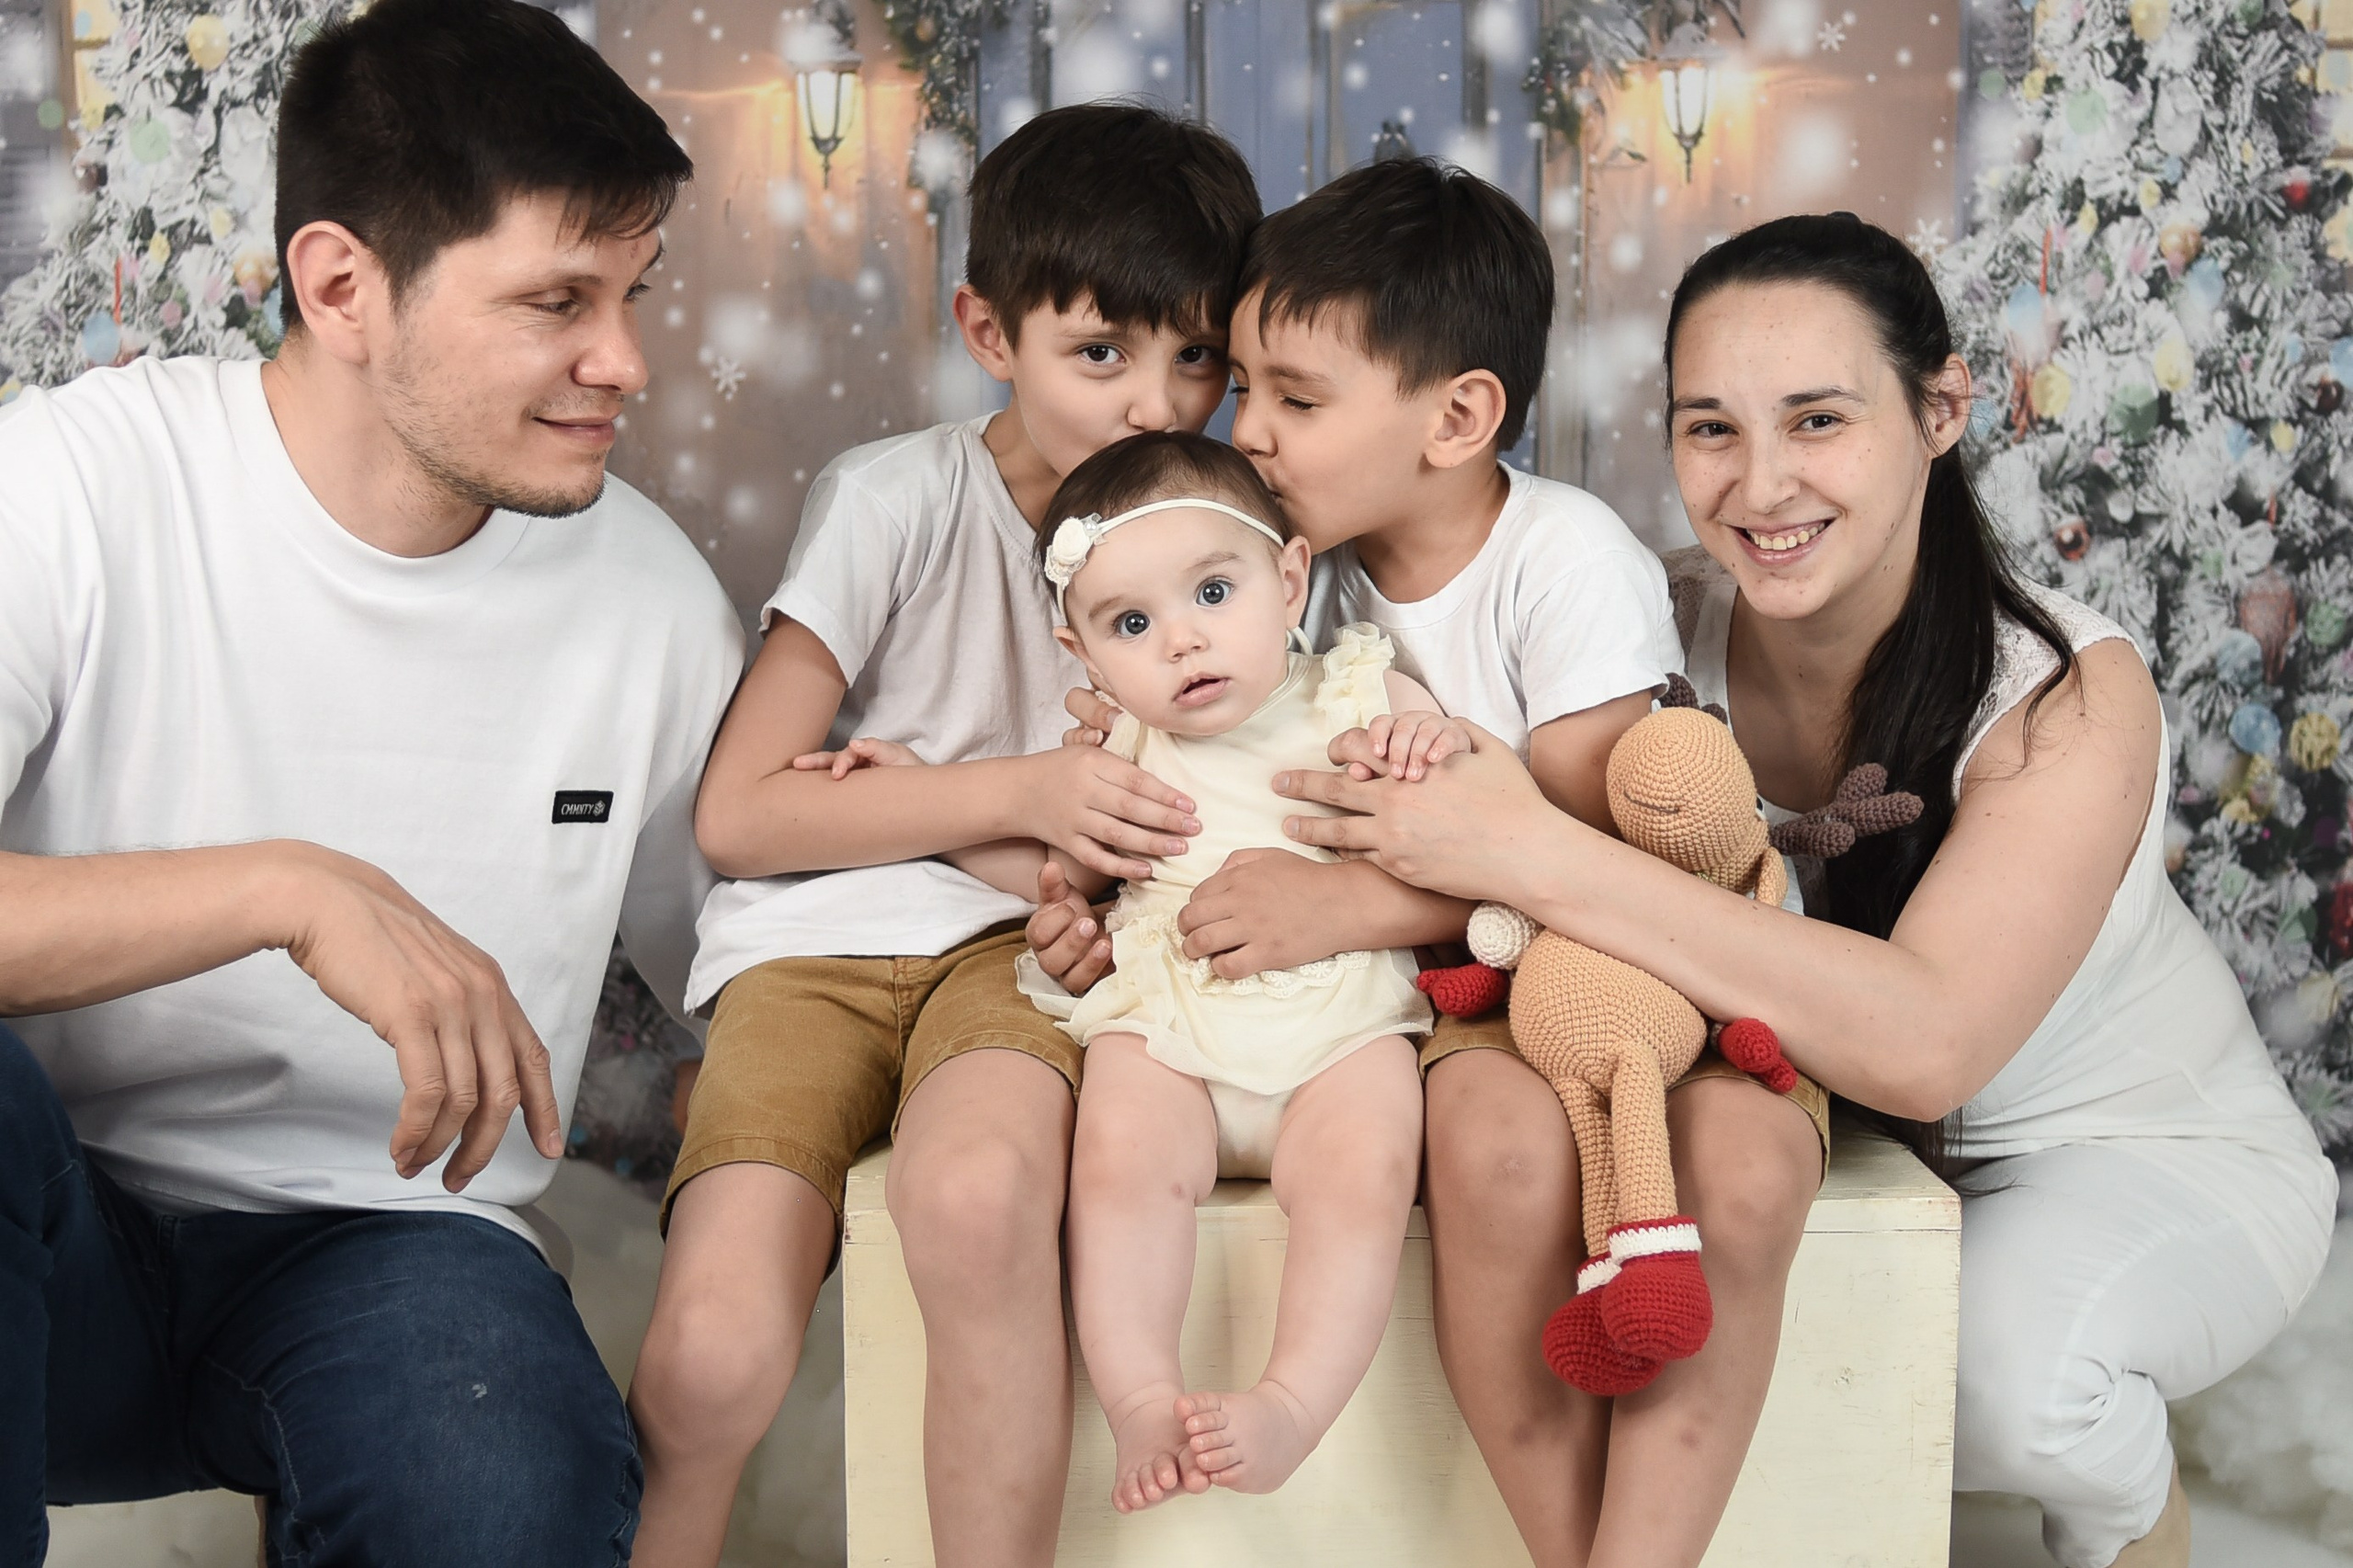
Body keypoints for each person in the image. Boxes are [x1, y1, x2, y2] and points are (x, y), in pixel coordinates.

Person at [1267, 213, 2336, 1568]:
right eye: (1710, 429)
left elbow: (1929, 1041)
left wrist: (1529, 849)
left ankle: (2131, 1516)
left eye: (1818, 419)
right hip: (1830, 1118)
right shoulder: (1640, 619)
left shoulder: (2065, 689)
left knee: (1996, 1372)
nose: (1761, 484)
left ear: (1943, 406)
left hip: (2125, 1150)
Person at [0, 2, 740, 1562]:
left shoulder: (655, 603)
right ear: (343, 285)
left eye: (634, 294)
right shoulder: (72, 488)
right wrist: (294, 890)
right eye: (559, 301)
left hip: (396, 1252)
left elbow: (760, 976)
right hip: (45, 1227)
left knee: (502, 1485)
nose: (626, 360)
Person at [1028, 158, 1830, 1565]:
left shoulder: (1561, 562)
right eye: (1248, 390)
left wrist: (1341, 901)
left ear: (1458, 416)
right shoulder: (1288, 573)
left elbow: (1616, 859)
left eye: (1296, 399)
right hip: (1463, 998)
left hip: (1657, 960)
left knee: (1741, 1177)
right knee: (1496, 1158)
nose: (1247, 432)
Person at [625, 105, 1261, 1568]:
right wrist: (1018, 790)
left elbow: (1149, 860)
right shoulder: (896, 498)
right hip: (812, 944)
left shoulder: (1225, 555)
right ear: (992, 330)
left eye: (1195, 358)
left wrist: (1011, 838)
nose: (1152, 405)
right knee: (716, 1345)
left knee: (975, 1201)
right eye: (1100, 351)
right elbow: (743, 811)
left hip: (1018, 955)